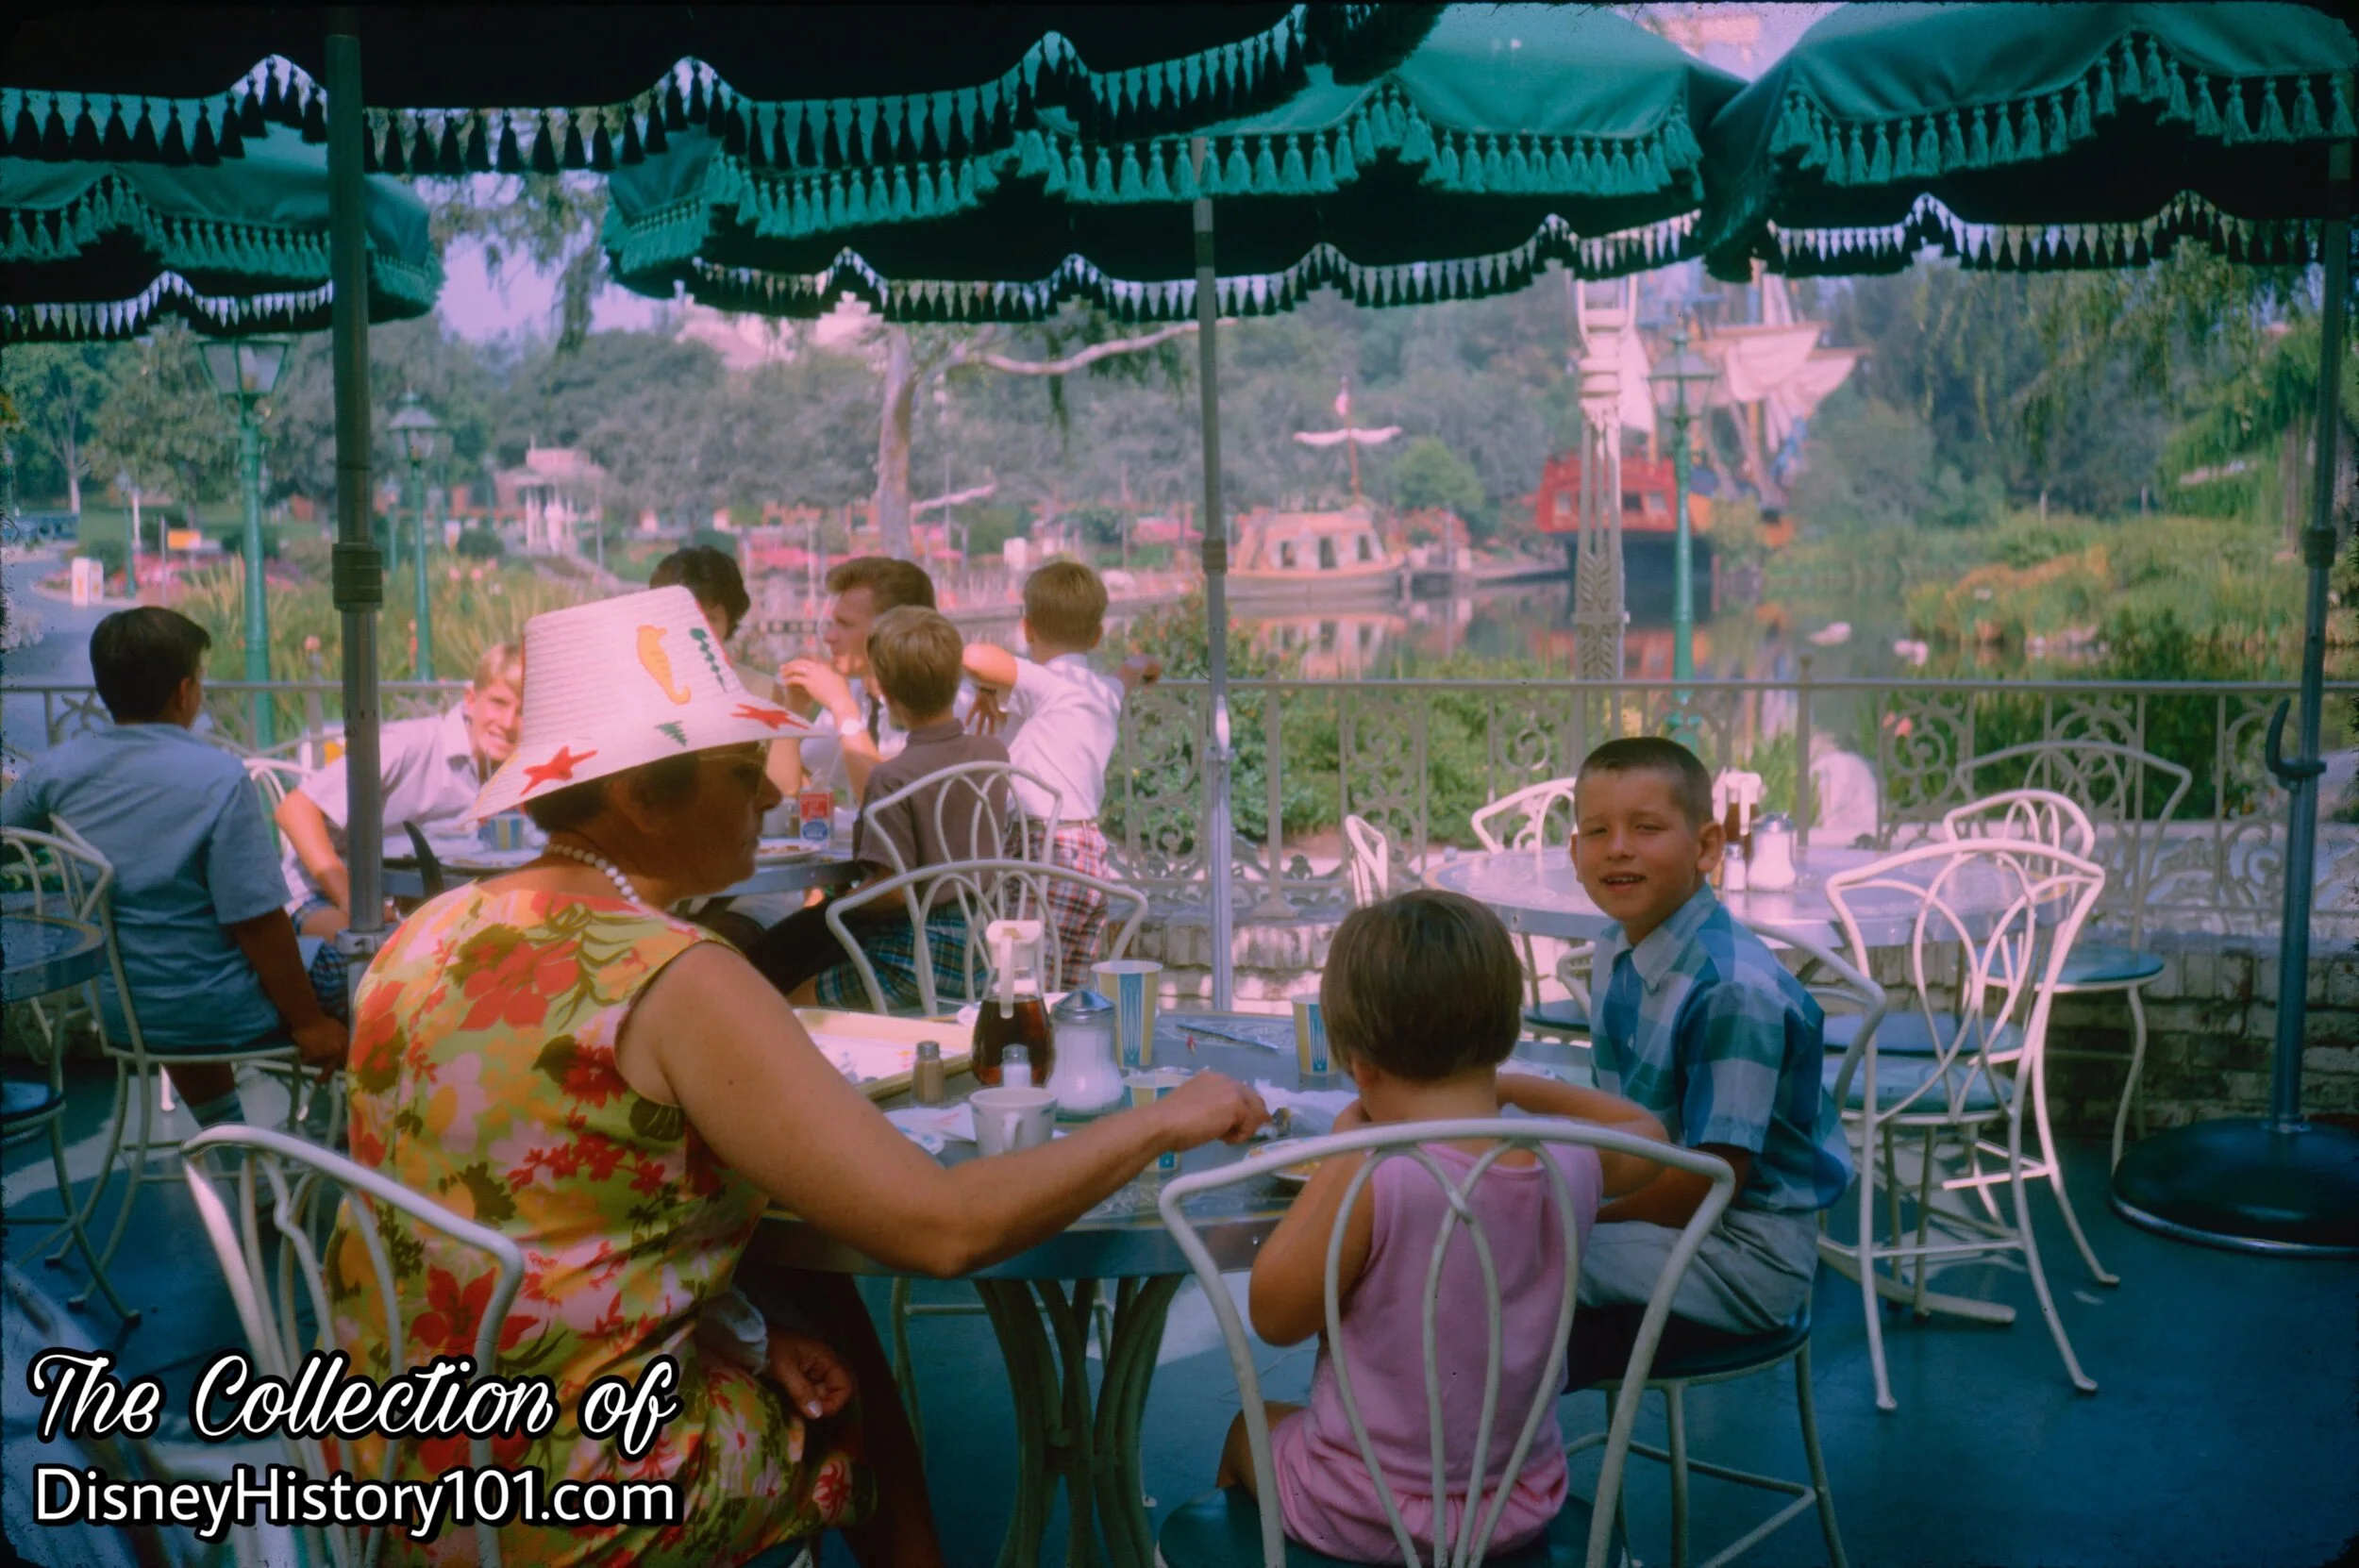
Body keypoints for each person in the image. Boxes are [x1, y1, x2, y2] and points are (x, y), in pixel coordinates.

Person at [329, 586, 1268, 1568]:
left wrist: (739, 1332)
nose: (773, 795)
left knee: (796, 1301)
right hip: (576, 1494)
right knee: (845, 1371)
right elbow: (939, 1229)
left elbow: (544, 1214)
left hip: (397, 1455)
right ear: (640, 798)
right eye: (742, 772)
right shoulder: (674, 975)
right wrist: (1168, 1122)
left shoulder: (425, 934)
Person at [1217, 890, 1665, 1560]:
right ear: (1503, 1035)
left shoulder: (1376, 1176)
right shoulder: (1569, 1156)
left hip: (1366, 1513)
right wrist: (1508, 1090)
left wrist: (1344, 1153)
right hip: (1520, 1501)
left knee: (1242, 1432)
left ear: (1359, 1063)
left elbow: (1274, 1315)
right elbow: (1647, 1131)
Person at [1564, 736, 1851, 1376]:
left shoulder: (1732, 990)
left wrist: (1560, 1200)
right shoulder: (1617, 947)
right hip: (1671, 1219)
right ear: (1574, 852)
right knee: (1486, 1245)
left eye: (1646, 828)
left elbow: (1699, 1188)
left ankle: (1471, 1464)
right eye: (1597, 830)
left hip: (1743, 1255)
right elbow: (1619, 1122)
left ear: (1706, 848)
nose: (1618, 847)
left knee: (1505, 1260)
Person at [2, 609, 346, 1127]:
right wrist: (309, 1022)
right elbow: (255, 920)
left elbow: (9, 836)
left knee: (182, 960)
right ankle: (343, 1129)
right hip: (215, 1009)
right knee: (370, 970)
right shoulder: (219, 777)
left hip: (120, 1009)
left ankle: (229, 1140)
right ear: (185, 692)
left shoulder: (58, 768)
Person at [745, 607, 1007, 1009]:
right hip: (981, 952)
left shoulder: (892, 779)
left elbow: (893, 895)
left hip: (912, 960)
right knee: (803, 942)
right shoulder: (993, 754)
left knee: (789, 999)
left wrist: (847, 896)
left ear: (883, 688)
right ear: (956, 679)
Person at [276, 642, 524, 1012]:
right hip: (320, 893)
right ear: (471, 700)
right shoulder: (411, 745)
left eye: (524, 711)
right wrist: (351, 901)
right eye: (499, 703)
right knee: (390, 983)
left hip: (407, 907)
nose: (508, 723)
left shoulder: (502, 768)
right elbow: (294, 810)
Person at [961, 559, 1161, 979]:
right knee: (1067, 987)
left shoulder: (1042, 684)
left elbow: (972, 655)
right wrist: (1145, 666)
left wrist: (986, 685)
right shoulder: (1105, 689)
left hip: (1044, 849)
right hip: (1089, 853)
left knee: (1022, 984)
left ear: (1027, 628)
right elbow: (1138, 666)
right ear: (1096, 635)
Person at [649, 544, 809, 939]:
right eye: (686, 617)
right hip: (656, 880)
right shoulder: (641, 693)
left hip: (741, 888)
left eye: (712, 617)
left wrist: (791, 709)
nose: (698, 631)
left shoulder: (757, 689)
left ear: (729, 621)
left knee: (722, 945)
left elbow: (786, 785)